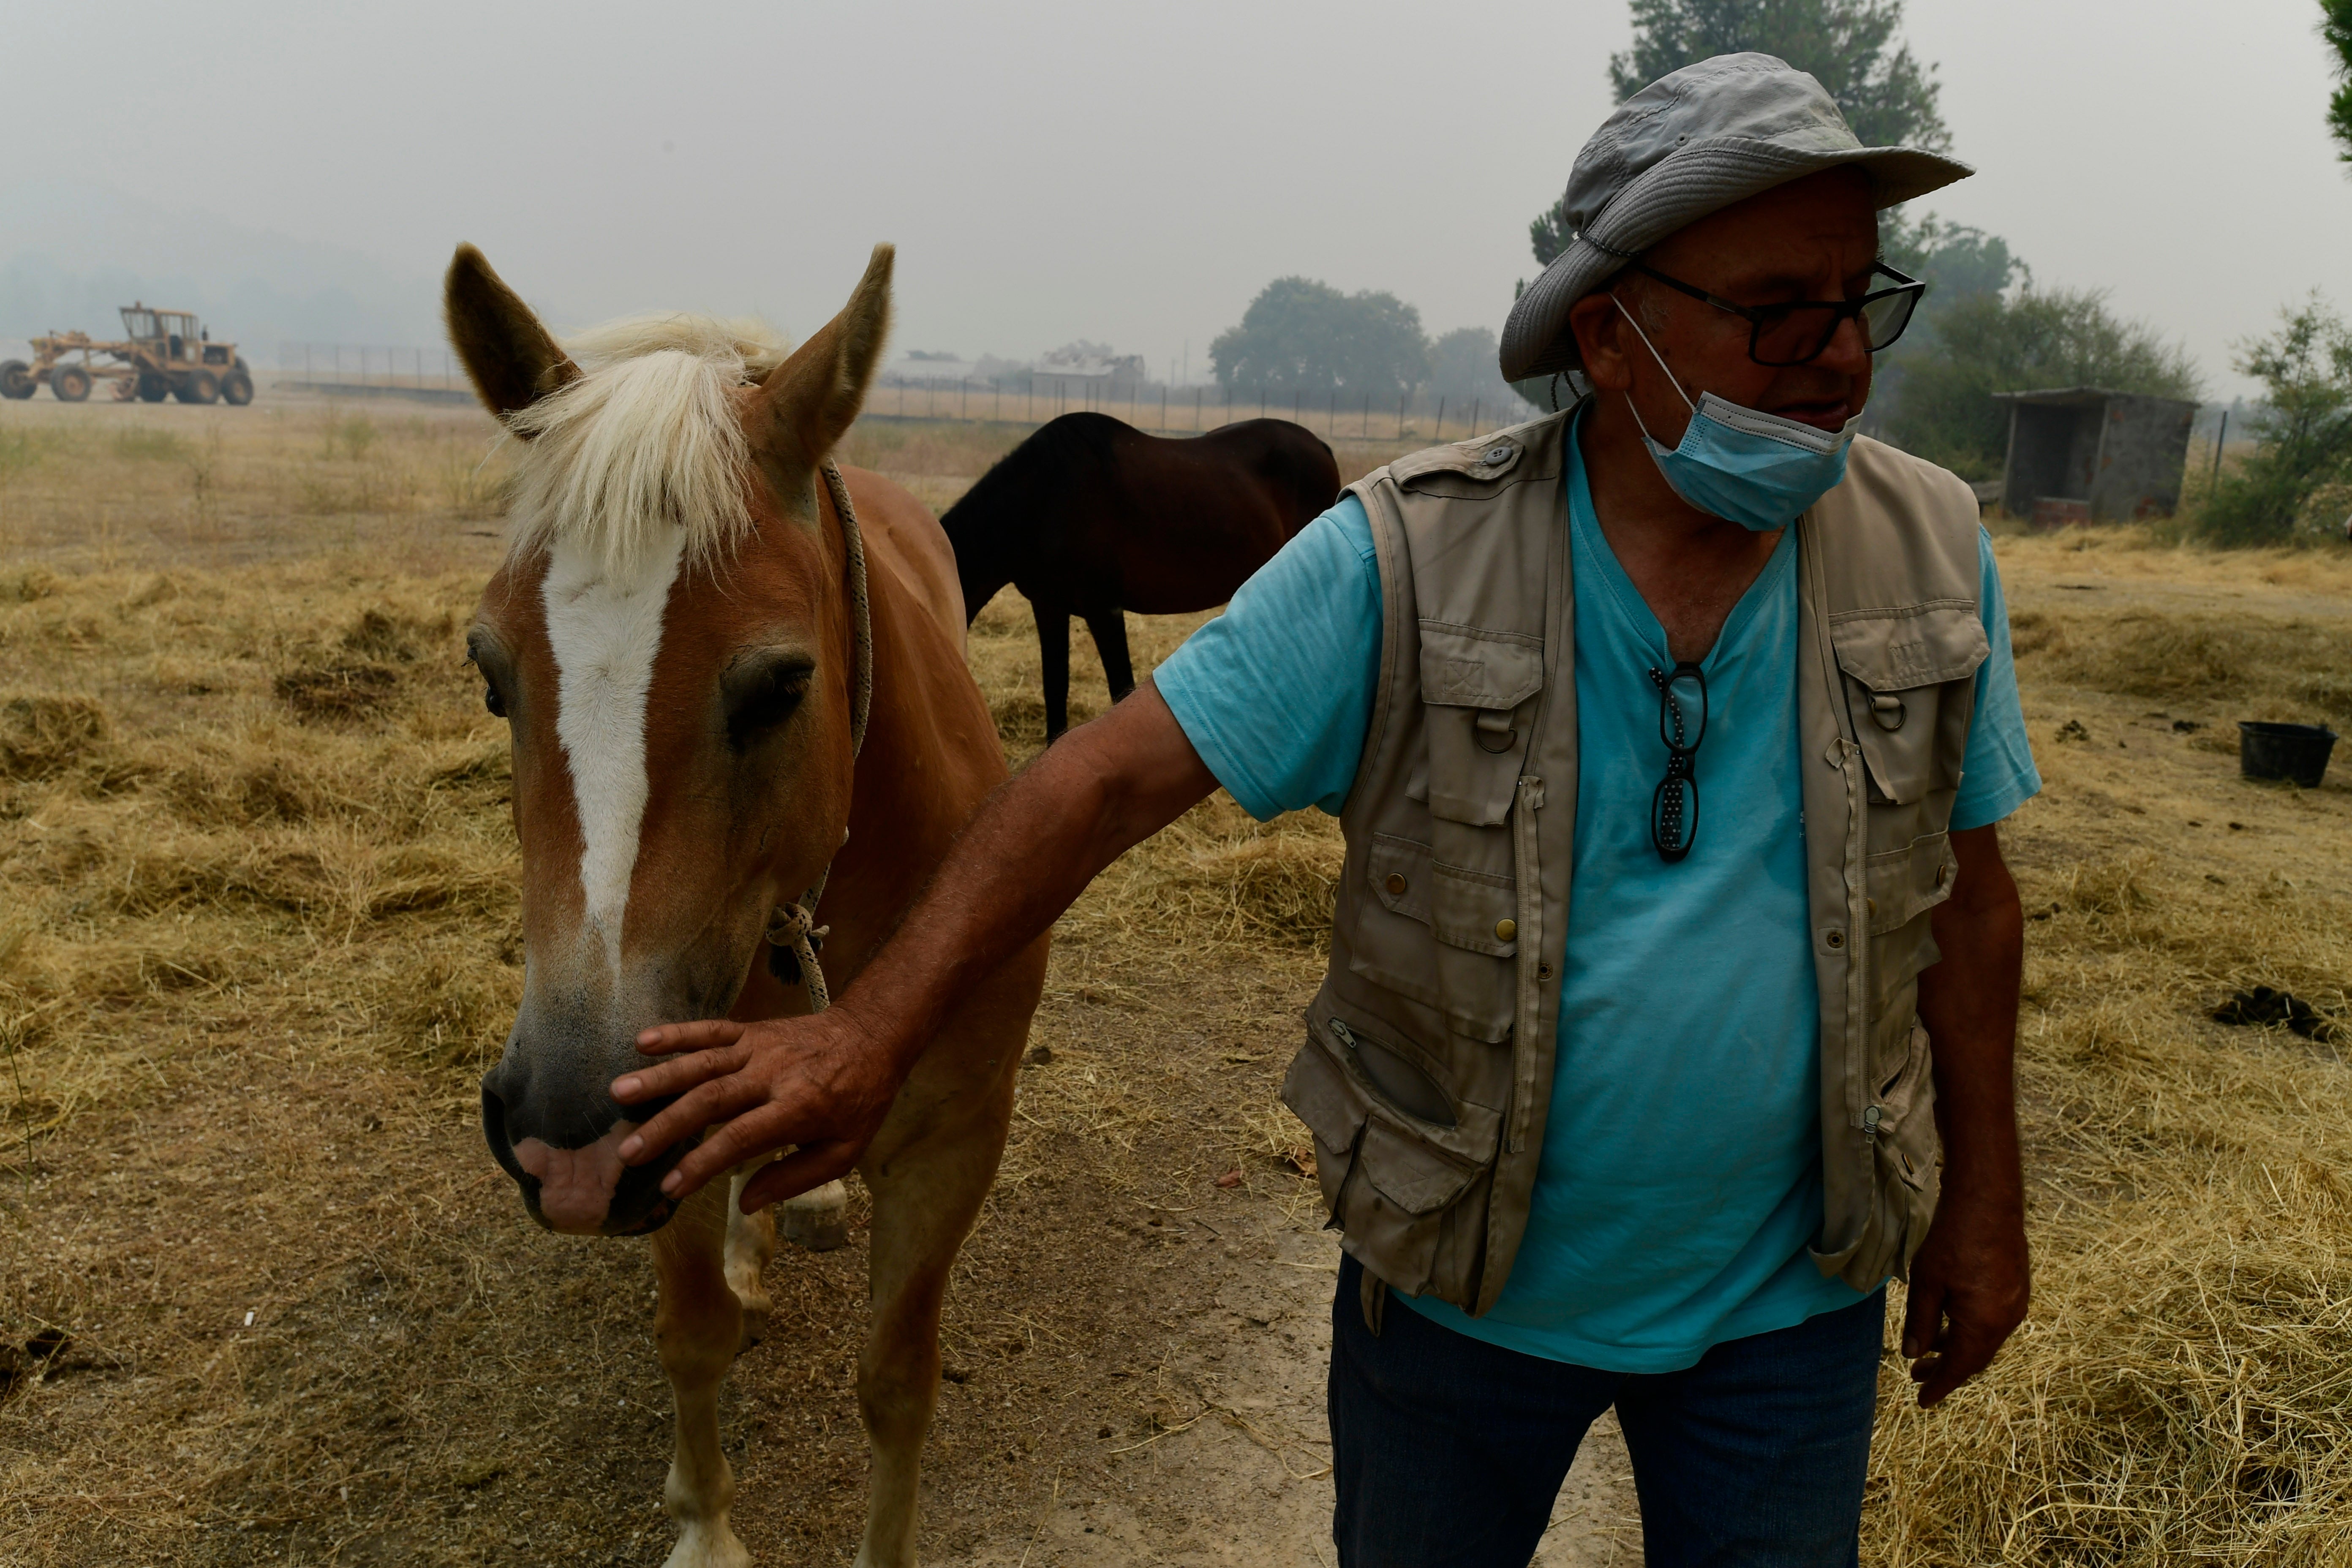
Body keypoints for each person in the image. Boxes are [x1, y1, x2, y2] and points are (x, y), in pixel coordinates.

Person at [609, 53, 2037, 1567]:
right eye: (1777, 312)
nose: (1839, 358)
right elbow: (1094, 787)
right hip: (1460, 1315)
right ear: (1616, 339)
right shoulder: (1404, 564)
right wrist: (865, 1033)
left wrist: (1986, 1205)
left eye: (1859, 300)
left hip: (1794, 1330)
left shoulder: (1930, 548)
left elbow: (1976, 909)